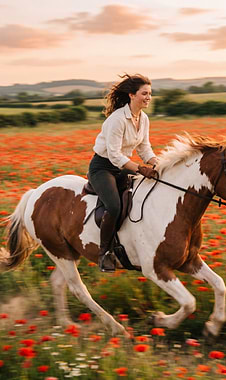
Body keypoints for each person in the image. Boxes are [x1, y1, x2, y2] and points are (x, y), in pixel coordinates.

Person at [88, 73, 158, 272]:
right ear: (131, 95)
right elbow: (114, 155)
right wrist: (141, 169)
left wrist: (157, 163)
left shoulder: (143, 119)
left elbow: (144, 148)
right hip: (103, 168)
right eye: (144, 93)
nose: (148, 97)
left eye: (150, 94)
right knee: (115, 206)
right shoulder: (117, 119)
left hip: (122, 168)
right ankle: (105, 253)